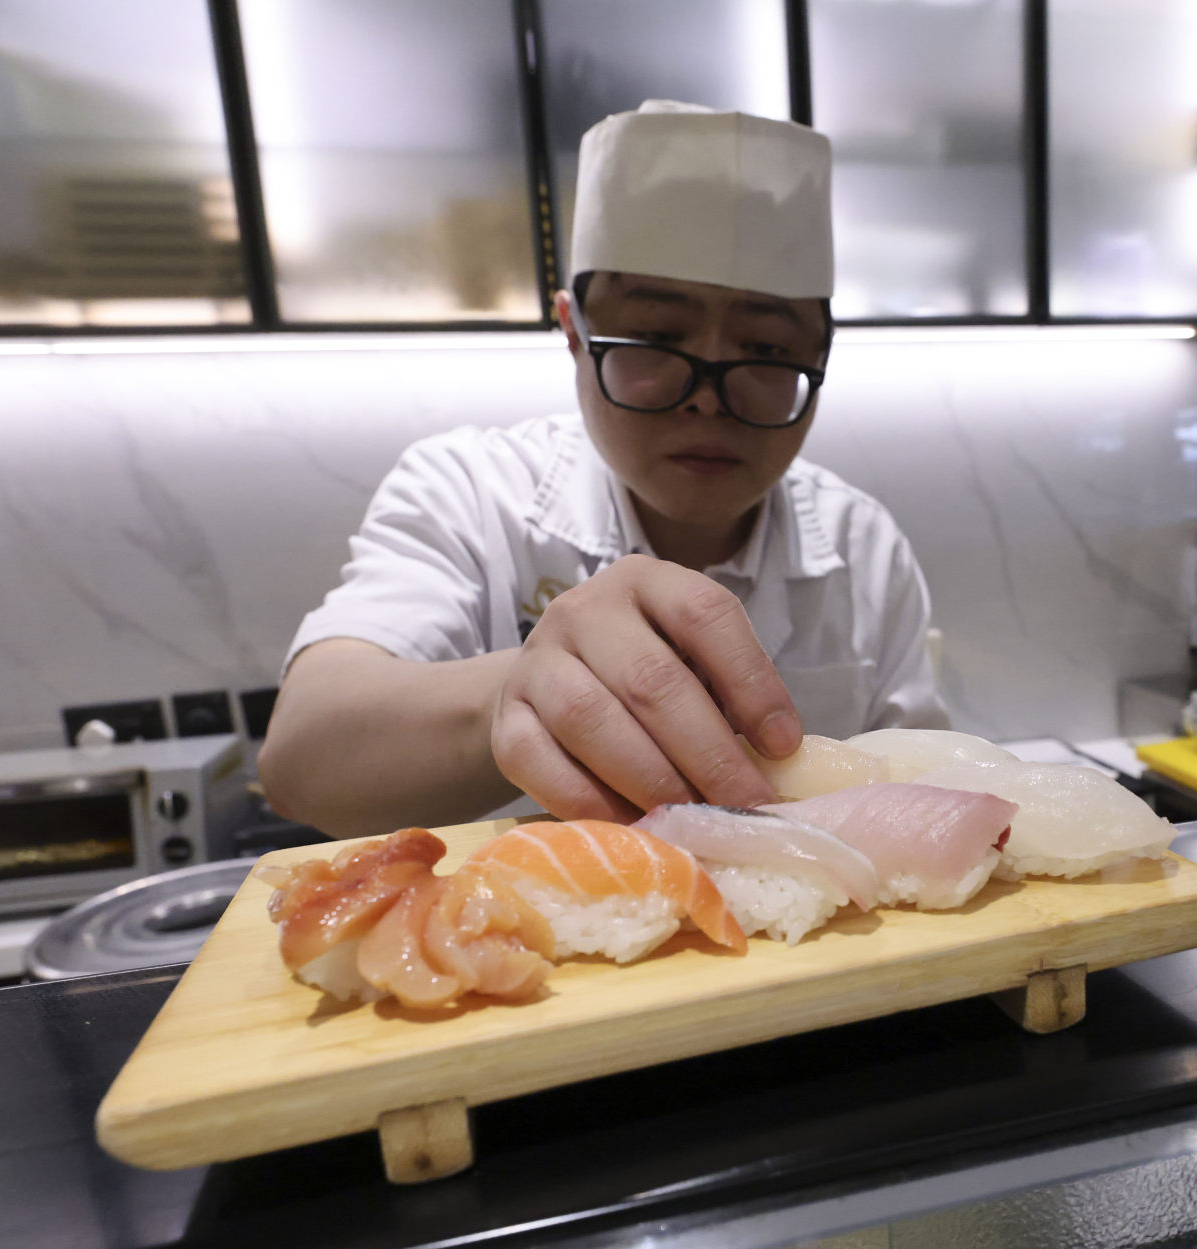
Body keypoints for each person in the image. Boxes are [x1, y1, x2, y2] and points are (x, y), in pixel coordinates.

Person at [260, 102, 948, 839]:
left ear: (819, 359)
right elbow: (303, 762)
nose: (709, 398)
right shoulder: (470, 491)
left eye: (770, 350)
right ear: (572, 333)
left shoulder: (862, 546)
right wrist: (516, 694)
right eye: (654, 336)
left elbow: (923, 794)